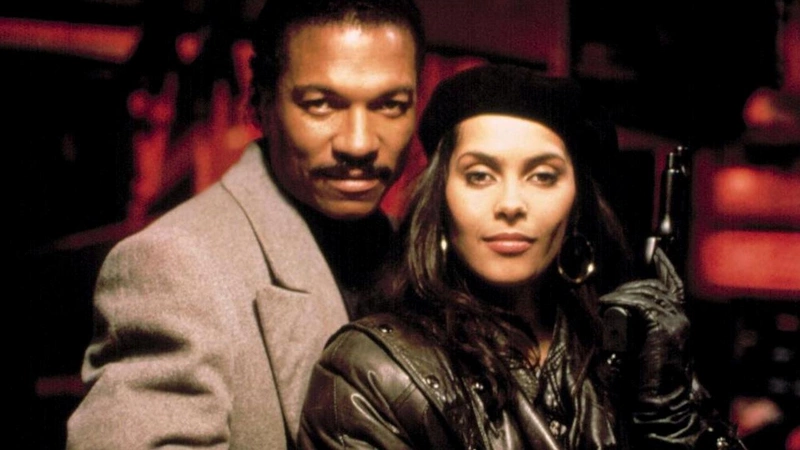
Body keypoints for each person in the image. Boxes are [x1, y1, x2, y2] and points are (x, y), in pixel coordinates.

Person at [298, 65, 745, 449]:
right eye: (480, 175)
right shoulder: (371, 374)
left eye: (542, 176)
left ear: (576, 204)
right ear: (441, 199)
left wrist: (674, 424)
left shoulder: (622, 355)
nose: (511, 204)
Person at [66, 0, 424, 448]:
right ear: (259, 105)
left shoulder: (423, 258)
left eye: (390, 105)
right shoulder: (175, 266)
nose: (359, 142)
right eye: (320, 105)